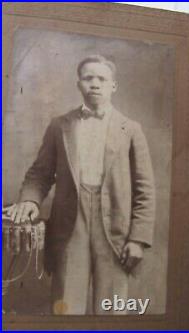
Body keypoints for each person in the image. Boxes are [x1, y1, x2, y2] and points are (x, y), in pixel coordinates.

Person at [3, 55, 155, 315]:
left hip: (115, 229)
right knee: (65, 307)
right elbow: (39, 174)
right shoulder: (60, 126)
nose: (94, 84)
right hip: (70, 226)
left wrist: (138, 240)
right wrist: (29, 200)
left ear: (113, 86)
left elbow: (145, 189)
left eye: (102, 79)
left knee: (113, 308)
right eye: (88, 78)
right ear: (78, 84)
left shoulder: (130, 129)